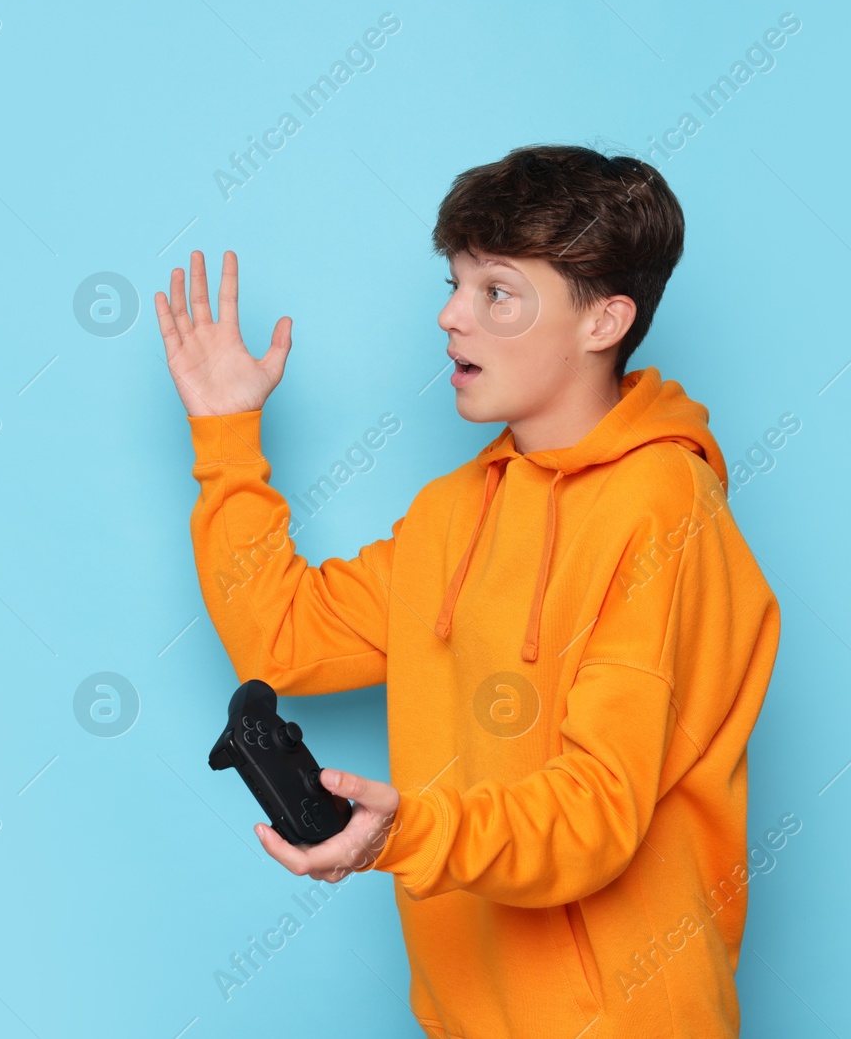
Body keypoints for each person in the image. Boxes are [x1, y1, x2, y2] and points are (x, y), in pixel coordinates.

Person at [155, 144, 782, 1038]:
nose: (451, 315)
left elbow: (598, 812)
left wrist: (403, 833)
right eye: (455, 283)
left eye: (497, 292)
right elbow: (282, 637)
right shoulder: (454, 511)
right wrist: (225, 435)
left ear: (604, 321)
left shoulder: (663, 507)